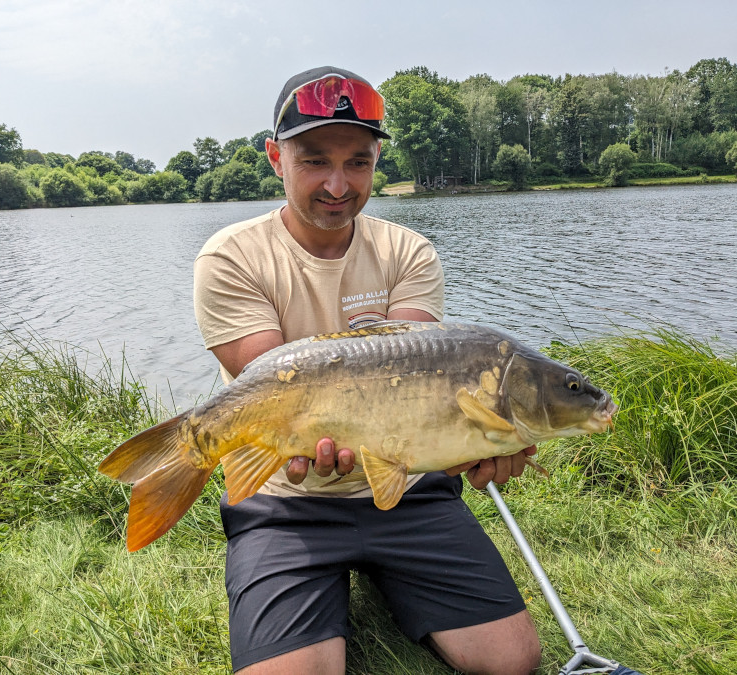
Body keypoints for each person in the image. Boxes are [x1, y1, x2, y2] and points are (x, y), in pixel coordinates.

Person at [193, 66, 541, 675]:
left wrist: (481, 438)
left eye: (358, 161)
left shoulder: (408, 251)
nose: (337, 183)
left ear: (377, 159)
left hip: (406, 489)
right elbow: (271, 388)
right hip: (287, 496)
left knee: (511, 661)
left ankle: (391, 573)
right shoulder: (231, 257)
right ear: (276, 158)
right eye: (314, 161)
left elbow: (428, 372)